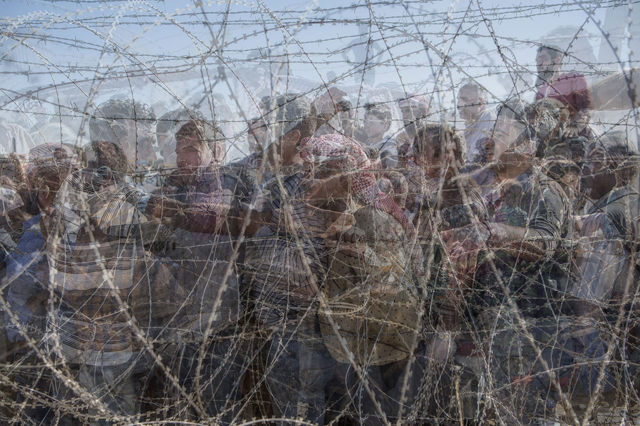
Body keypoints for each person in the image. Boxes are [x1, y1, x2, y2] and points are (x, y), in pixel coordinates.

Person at [159, 118, 245, 423]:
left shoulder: (226, 182)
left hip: (217, 310)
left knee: (218, 400)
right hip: (179, 309)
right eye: (179, 149)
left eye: (193, 149)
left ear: (217, 150)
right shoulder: (174, 184)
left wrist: (168, 212)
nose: (183, 157)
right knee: (183, 400)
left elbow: (212, 219)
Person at [535, 44, 594, 138]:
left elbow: (586, 109)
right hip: (549, 140)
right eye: (537, 60)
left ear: (557, 60)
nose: (538, 64)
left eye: (543, 59)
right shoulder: (541, 90)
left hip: (576, 138)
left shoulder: (574, 79)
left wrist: (575, 126)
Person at [457, 82, 496, 166]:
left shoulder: (489, 122)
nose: (458, 105)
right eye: (458, 99)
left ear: (480, 102)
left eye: (464, 99)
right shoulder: (471, 125)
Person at [358, 102, 398, 169]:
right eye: (365, 122)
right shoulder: (367, 143)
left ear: (385, 126)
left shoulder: (389, 147)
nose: (367, 126)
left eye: (371, 123)